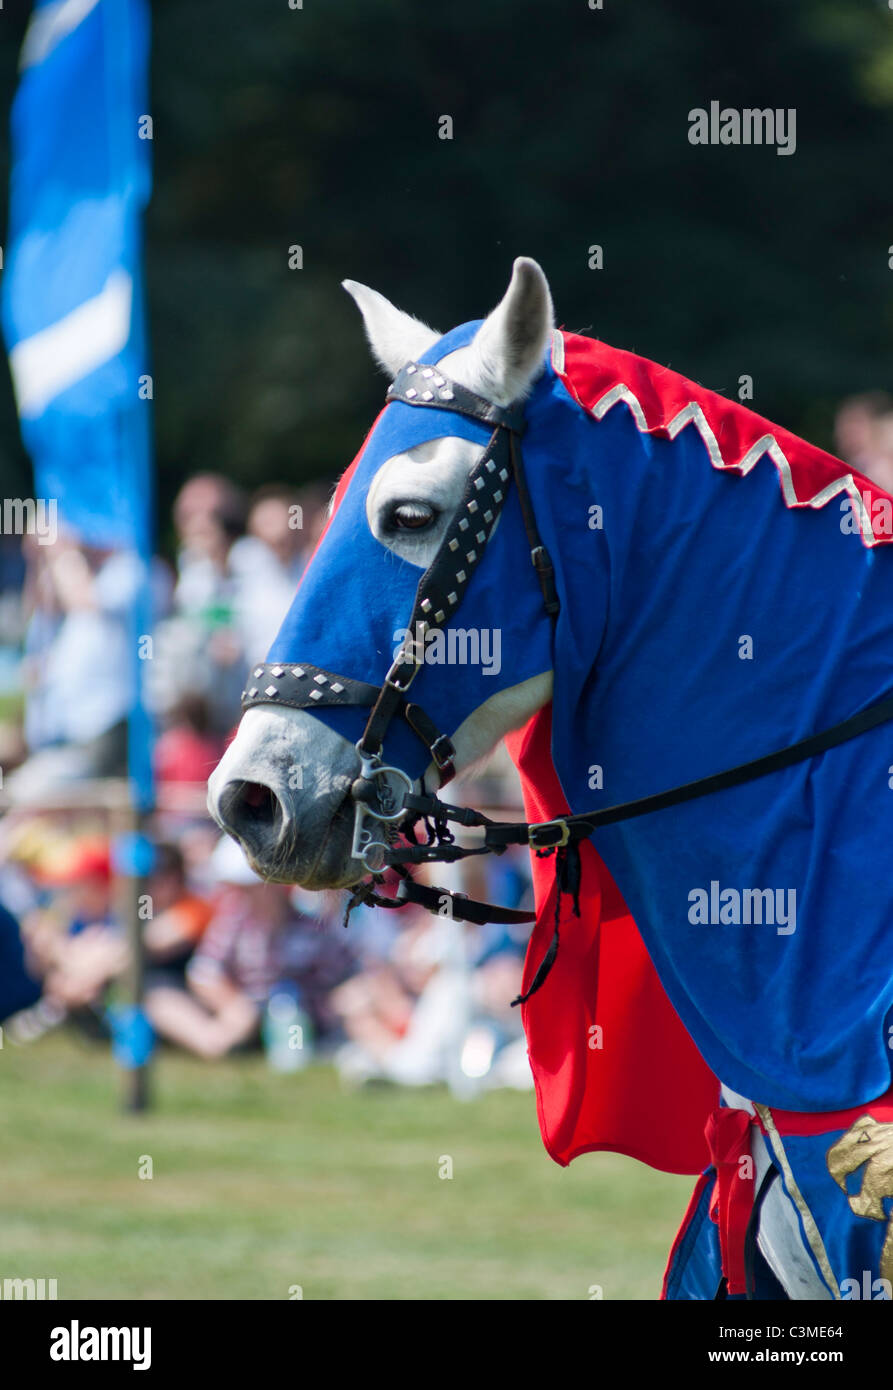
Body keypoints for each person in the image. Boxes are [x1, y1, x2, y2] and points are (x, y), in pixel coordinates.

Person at [145, 837, 353, 1059]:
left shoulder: (311, 928)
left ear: (275, 885)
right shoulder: (233, 922)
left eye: (249, 889)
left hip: (300, 1018)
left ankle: (291, 1051)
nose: (240, 897)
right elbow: (204, 972)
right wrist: (233, 1003)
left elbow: (342, 976)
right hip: (247, 1013)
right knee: (160, 998)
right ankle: (213, 1041)